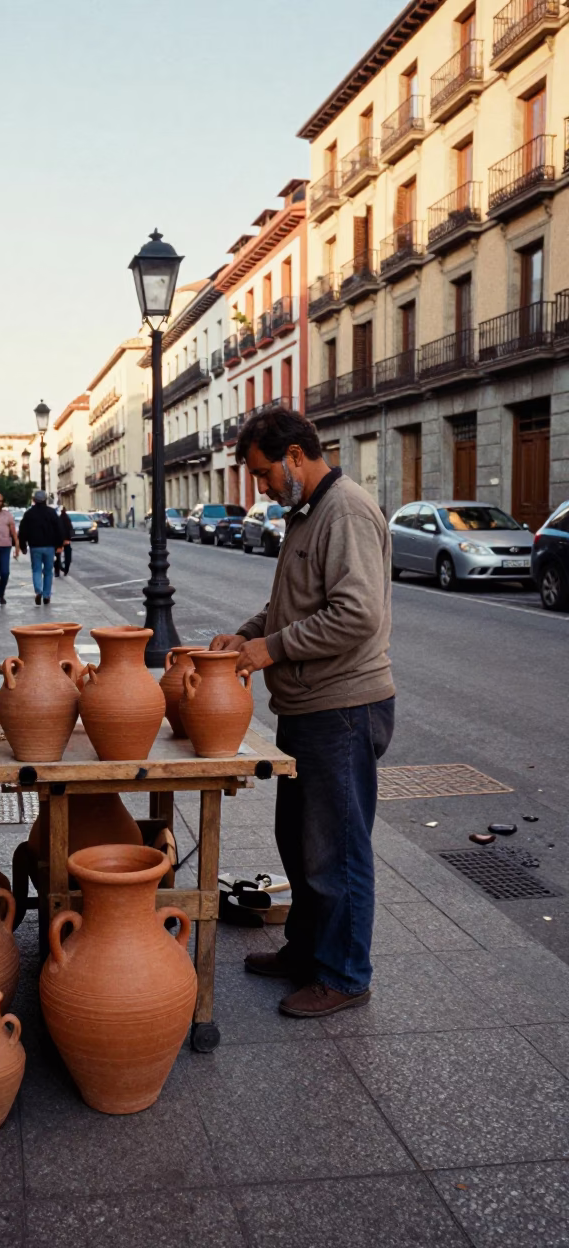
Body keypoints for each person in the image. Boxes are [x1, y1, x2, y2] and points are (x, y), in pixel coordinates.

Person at [210, 407, 395, 1020]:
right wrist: (246, 635)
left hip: (343, 709)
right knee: (298, 838)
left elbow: (355, 614)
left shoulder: (344, 511)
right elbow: (290, 608)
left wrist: (273, 648)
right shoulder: (305, 514)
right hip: (309, 707)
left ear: (294, 455)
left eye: (263, 474)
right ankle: (307, 949)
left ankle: (344, 975)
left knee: (336, 851)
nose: (259, 488)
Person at [18, 489, 64, 605]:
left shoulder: (28, 514)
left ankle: (38, 591)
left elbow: (22, 531)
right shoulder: (51, 512)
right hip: (49, 547)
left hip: (35, 547)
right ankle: (46, 595)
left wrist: (23, 545)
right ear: (45, 500)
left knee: (36, 570)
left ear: (34, 500)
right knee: (48, 571)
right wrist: (59, 545)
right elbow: (58, 529)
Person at [54, 507, 74, 577]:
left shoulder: (57, 519)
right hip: (66, 540)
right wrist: (69, 539)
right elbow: (71, 529)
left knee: (57, 556)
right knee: (67, 555)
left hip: (58, 540)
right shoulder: (67, 519)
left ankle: (57, 571)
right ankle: (66, 569)